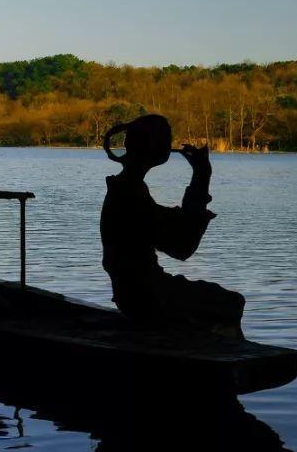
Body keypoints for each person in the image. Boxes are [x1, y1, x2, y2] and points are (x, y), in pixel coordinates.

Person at [100, 114, 245, 335]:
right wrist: (202, 175)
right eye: (166, 139)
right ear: (153, 147)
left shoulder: (125, 188)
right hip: (146, 297)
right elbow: (182, 246)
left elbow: (168, 227)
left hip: (134, 294)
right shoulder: (131, 194)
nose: (170, 144)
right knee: (231, 302)